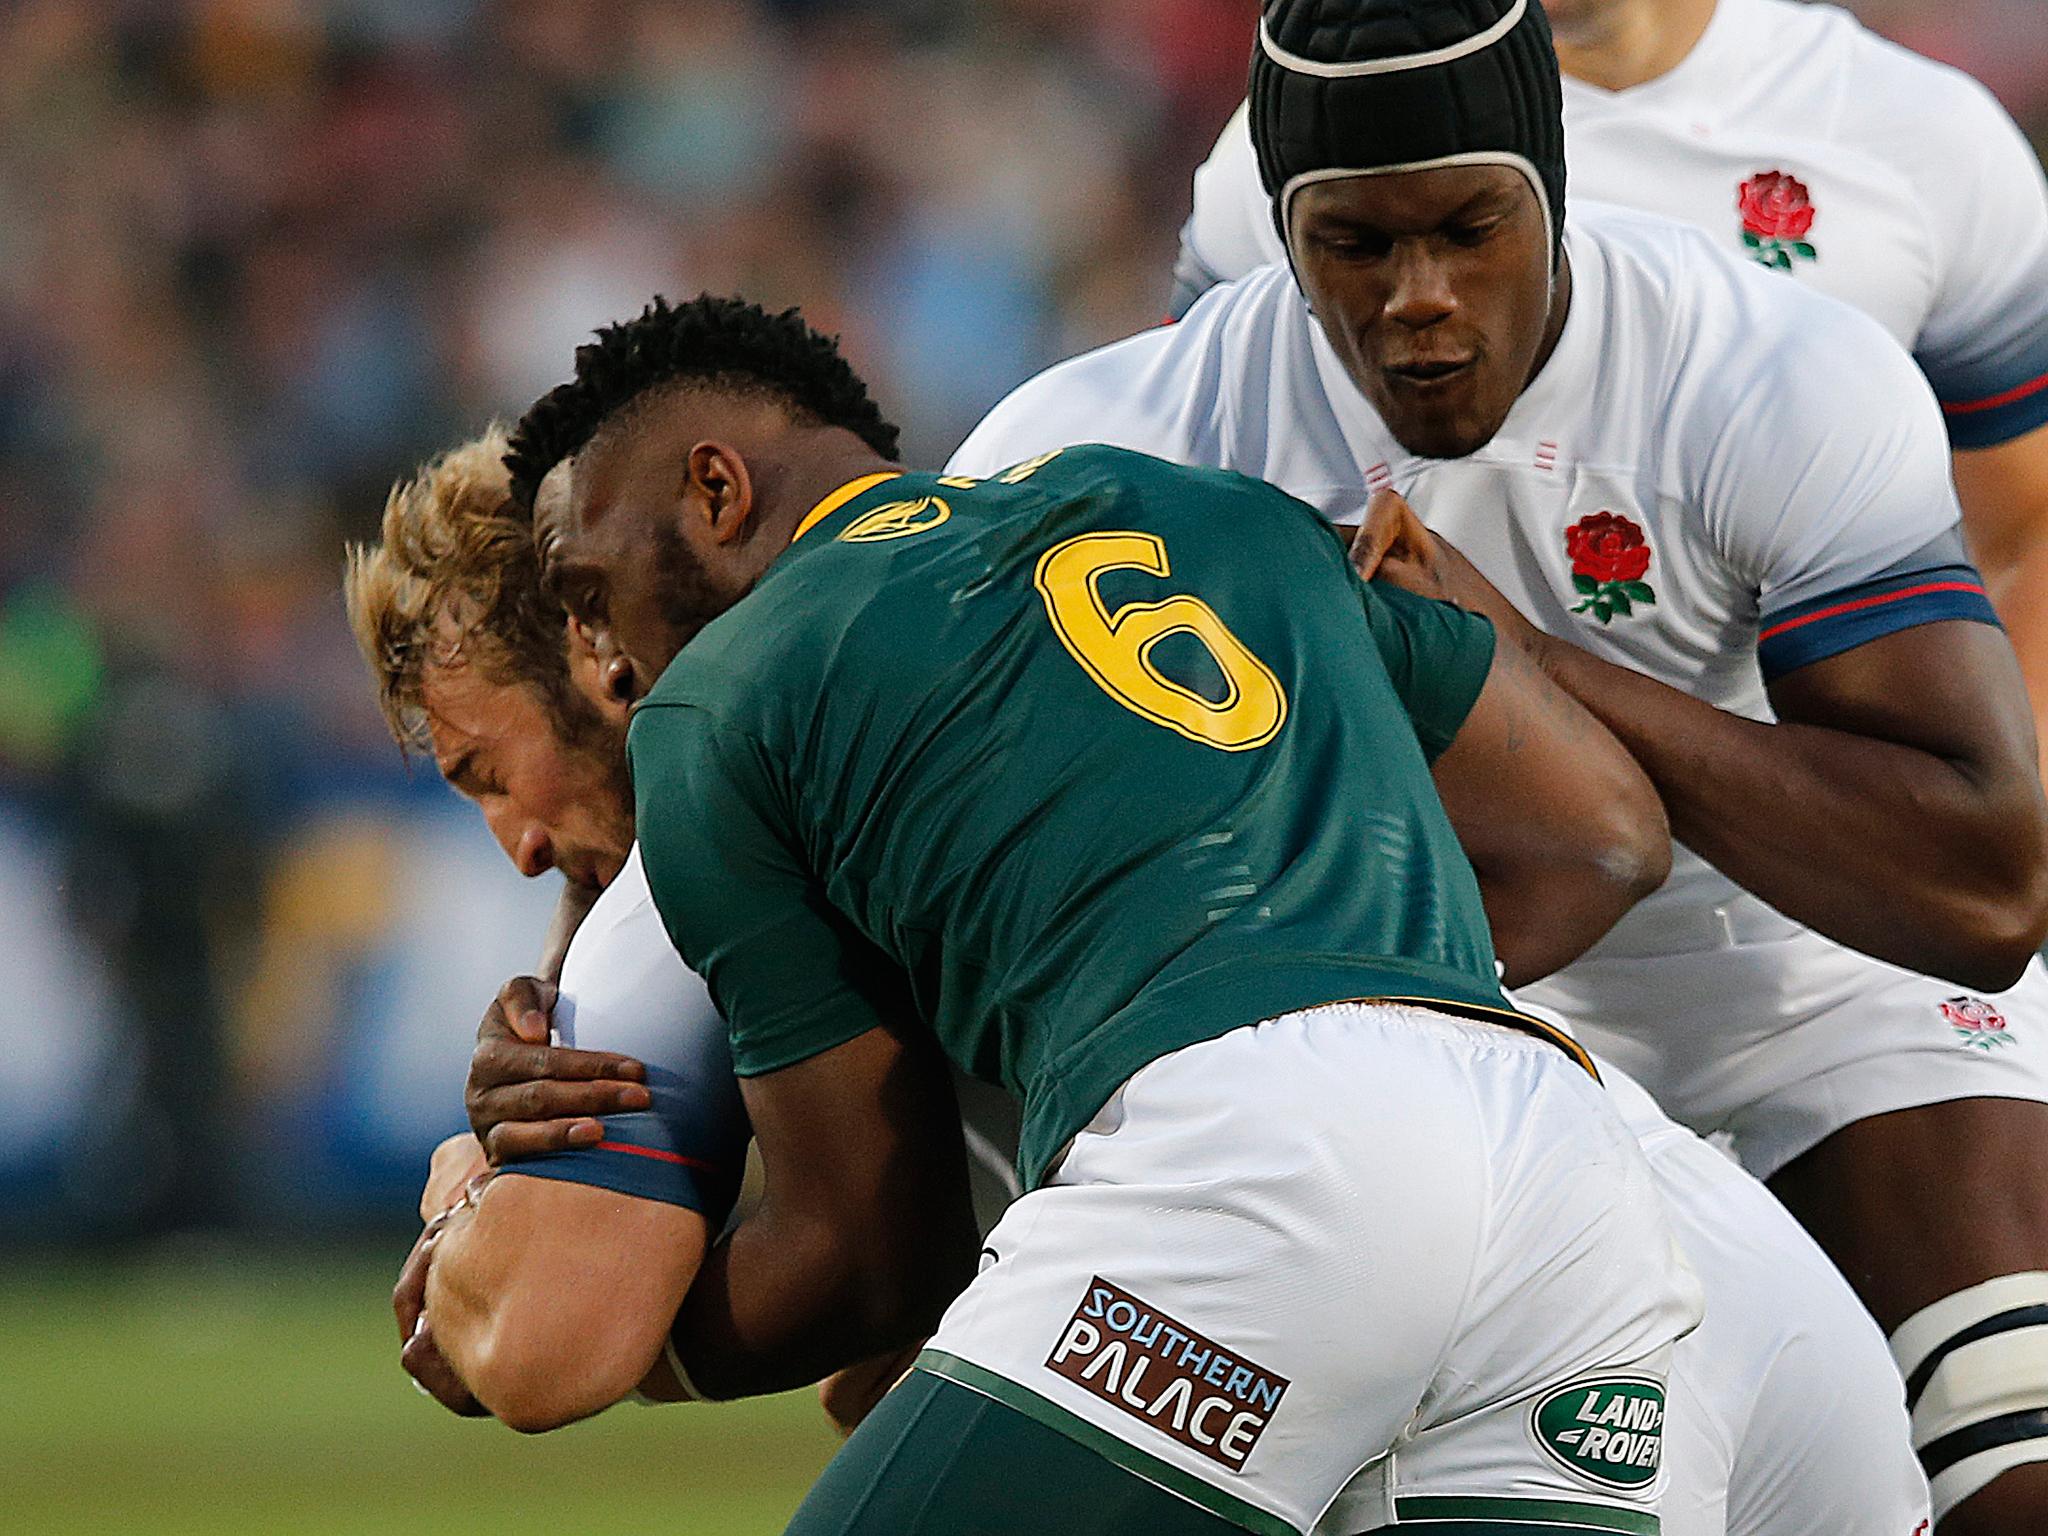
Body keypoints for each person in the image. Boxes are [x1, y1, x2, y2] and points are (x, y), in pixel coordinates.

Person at [352, 410, 1924, 1533]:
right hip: (1649, 1250)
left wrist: (461, 1198)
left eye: (485, 770)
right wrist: (1309, 964)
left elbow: (554, 1336)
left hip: (1318, 1201)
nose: (510, 845)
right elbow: (1600, 835)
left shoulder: (717, 767)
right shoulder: (1054, 551)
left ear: (596, 658)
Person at [950, 2, 2048, 1530]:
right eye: (1355, 247)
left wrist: (1527, 658)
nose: (1419, 298)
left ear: (1556, 186)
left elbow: (1988, 888)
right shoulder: (1119, 445)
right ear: (1271, 235)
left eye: (1471, 231)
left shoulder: (1774, 376)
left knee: (2019, 1479)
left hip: (1804, 965)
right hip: (1453, 1004)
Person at [1172, 0, 2048, 789]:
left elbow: (2022, 527)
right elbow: (1201, 503)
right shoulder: (1327, 134)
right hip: (1453, 885)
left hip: (1810, 905)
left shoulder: (1925, 140)